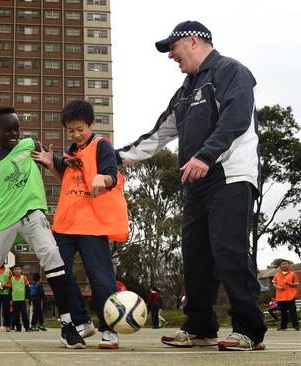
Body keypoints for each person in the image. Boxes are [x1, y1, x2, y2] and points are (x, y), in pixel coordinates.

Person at [114, 20, 267, 351]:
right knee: (196, 255)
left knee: (228, 250)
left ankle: (249, 330)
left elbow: (236, 119)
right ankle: (200, 326)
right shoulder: (185, 91)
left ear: (194, 41)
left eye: (173, 47)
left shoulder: (230, 71)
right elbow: (158, 135)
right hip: (197, 182)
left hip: (230, 174)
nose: (170, 55)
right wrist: (117, 157)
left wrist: (206, 155)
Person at [0, 106, 85, 348]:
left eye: (16, 128)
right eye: (8, 130)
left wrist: (66, 162)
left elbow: (51, 159)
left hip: (32, 211)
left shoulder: (28, 145)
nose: (14, 133)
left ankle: (68, 325)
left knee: (52, 256)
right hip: (2, 219)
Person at [32, 100, 129, 349]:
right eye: (71, 130)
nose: (76, 135)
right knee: (59, 272)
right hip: (65, 223)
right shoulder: (70, 151)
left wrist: (101, 177)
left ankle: (109, 329)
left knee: (101, 278)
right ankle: (81, 322)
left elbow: (111, 174)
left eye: (80, 129)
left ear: (91, 124)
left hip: (92, 223)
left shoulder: (101, 145)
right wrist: (52, 163)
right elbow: (67, 179)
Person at [272, 261, 300, 331]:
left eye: (286, 264)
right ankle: (283, 326)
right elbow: (274, 283)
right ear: (280, 266)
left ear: (289, 265)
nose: (284, 265)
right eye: (283, 264)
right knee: (283, 312)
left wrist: (289, 283)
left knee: (292, 311)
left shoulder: (292, 274)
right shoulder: (277, 274)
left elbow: (296, 284)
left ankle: (296, 325)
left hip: (290, 296)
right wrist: (279, 287)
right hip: (281, 297)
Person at [10, 265, 30, 332]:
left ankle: (27, 327)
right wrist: (10, 299)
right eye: (15, 269)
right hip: (15, 299)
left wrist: (27, 297)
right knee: (16, 315)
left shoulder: (24, 277)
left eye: (18, 269)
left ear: (21, 270)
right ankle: (18, 328)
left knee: (24, 313)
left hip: (22, 299)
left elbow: (27, 288)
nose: (17, 270)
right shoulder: (12, 279)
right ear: (13, 271)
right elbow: (10, 290)